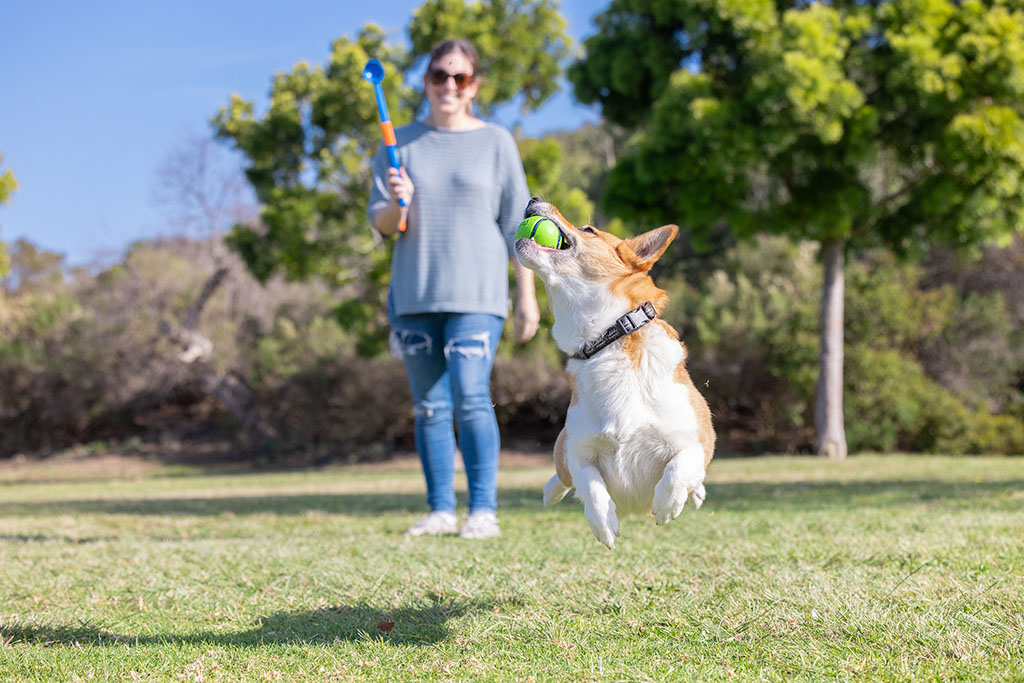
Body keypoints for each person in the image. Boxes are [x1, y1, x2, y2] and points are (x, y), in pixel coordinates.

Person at [367, 39, 539, 539]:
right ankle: (441, 509)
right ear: (425, 82)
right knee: (429, 406)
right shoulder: (397, 143)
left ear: (474, 86)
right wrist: (399, 202)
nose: (448, 85)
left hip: (479, 296)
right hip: (415, 296)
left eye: (459, 77)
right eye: (439, 75)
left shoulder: (496, 142)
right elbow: (383, 226)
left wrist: (527, 297)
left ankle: (483, 511)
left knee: (470, 396)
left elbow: (518, 226)